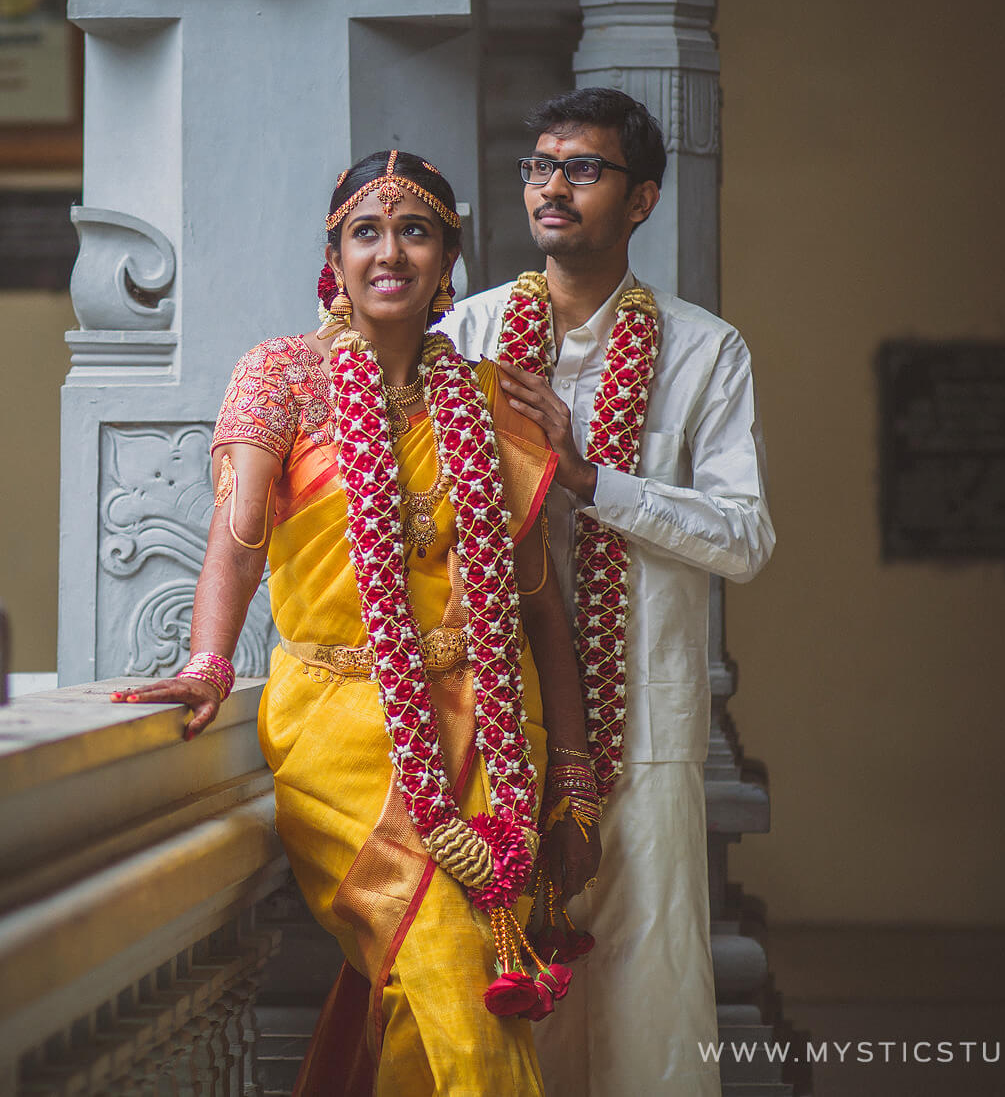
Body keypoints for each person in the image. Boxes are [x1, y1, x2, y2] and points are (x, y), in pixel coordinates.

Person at [117, 151, 605, 1096]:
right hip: (338, 730)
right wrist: (209, 662)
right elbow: (238, 542)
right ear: (333, 257)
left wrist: (574, 778)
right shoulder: (282, 380)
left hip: (494, 729)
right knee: (456, 968)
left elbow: (543, 607)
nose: (391, 252)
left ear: (448, 259)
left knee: (430, 1003)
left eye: (415, 231)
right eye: (367, 232)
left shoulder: (494, 397)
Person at [437, 88, 775, 1097]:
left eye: (582, 168)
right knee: (497, 983)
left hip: (643, 723)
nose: (552, 186)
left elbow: (743, 537)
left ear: (641, 201)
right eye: (538, 165)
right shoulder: (464, 334)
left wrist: (586, 479)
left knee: (646, 1002)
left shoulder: (703, 352)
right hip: (497, 723)